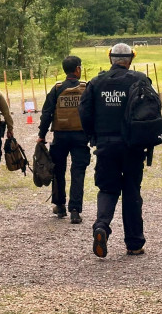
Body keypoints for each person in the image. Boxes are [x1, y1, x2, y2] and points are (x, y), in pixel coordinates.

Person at [79, 43, 151, 258]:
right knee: (131, 192)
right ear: (130, 59)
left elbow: (84, 111)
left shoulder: (95, 82)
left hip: (105, 145)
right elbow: (150, 111)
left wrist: (94, 136)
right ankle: (134, 243)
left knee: (108, 189)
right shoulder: (140, 80)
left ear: (110, 58)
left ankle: (101, 226)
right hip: (132, 146)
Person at [37, 55, 90, 224]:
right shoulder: (86, 88)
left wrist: (41, 135)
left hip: (60, 136)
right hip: (81, 136)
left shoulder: (57, 89)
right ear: (77, 69)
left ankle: (60, 206)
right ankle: (75, 210)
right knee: (78, 172)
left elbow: (47, 114)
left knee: (58, 171)